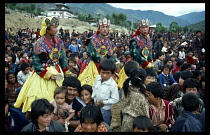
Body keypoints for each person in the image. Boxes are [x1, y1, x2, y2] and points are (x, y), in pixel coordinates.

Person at [14, 17, 71, 115]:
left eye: (57, 27)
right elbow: (36, 63)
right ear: (47, 29)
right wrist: (48, 75)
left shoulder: (58, 41)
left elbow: (62, 58)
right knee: (37, 99)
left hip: (57, 71)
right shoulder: (38, 43)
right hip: (42, 75)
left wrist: (66, 72)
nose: (56, 29)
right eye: (54, 27)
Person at [78, 18, 116, 86]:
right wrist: (104, 62)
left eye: (107, 27)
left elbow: (110, 55)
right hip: (93, 64)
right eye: (103, 27)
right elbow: (93, 54)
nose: (105, 29)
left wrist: (111, 64)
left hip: (105, 67)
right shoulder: (92, 40)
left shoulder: (109, 42)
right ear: (99, 28)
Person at [92, 59, 119, 126]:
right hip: (95, 106)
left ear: (112, 74)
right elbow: (94, 88)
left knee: (104, 125)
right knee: (95, 123)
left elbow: (115, 99)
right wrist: (94, 99)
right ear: (99, 71)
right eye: (103, 72)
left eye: (108, 73)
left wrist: (104, 102)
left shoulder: (113, 85)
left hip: (105, 109)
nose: (104, 75)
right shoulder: (97, 78)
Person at [121, 68, 149, 132]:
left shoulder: (126, 90)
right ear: (143, 80)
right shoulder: (140, 96)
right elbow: (145, 113)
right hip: (137, 125)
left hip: (126, 121)